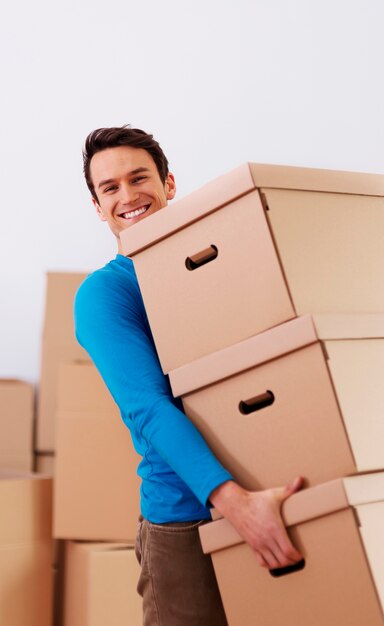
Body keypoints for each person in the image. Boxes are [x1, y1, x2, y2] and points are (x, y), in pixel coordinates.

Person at [74, 125, 303, 626]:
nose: (128, 196)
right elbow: (148, 409)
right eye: (110, 188)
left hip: (276, 491)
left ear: (169, 183)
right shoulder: (105, 295)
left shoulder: (220, 265)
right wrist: (235, 503)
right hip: (187, 518)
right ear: (97, 206)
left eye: (139, 178)